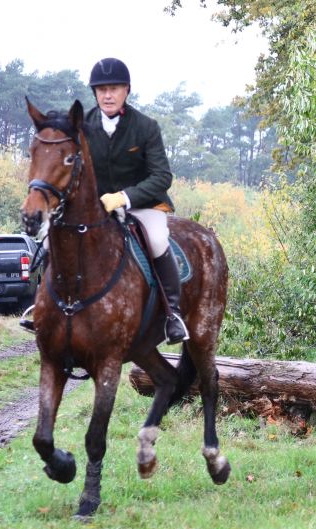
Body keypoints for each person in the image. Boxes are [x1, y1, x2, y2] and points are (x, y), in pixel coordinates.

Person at [84, 57, 188, 344]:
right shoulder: (82, 125)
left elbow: (162, 176)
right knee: (56, 236)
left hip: (143, 205)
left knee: (157, 240)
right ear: (95, 92)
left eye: (114, 89)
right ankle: (46, 307)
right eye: (102, 89)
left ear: (126, 91)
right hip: (97, 207)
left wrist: (124, 197)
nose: (108, 95)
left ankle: (173, 314)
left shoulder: (146, 127)